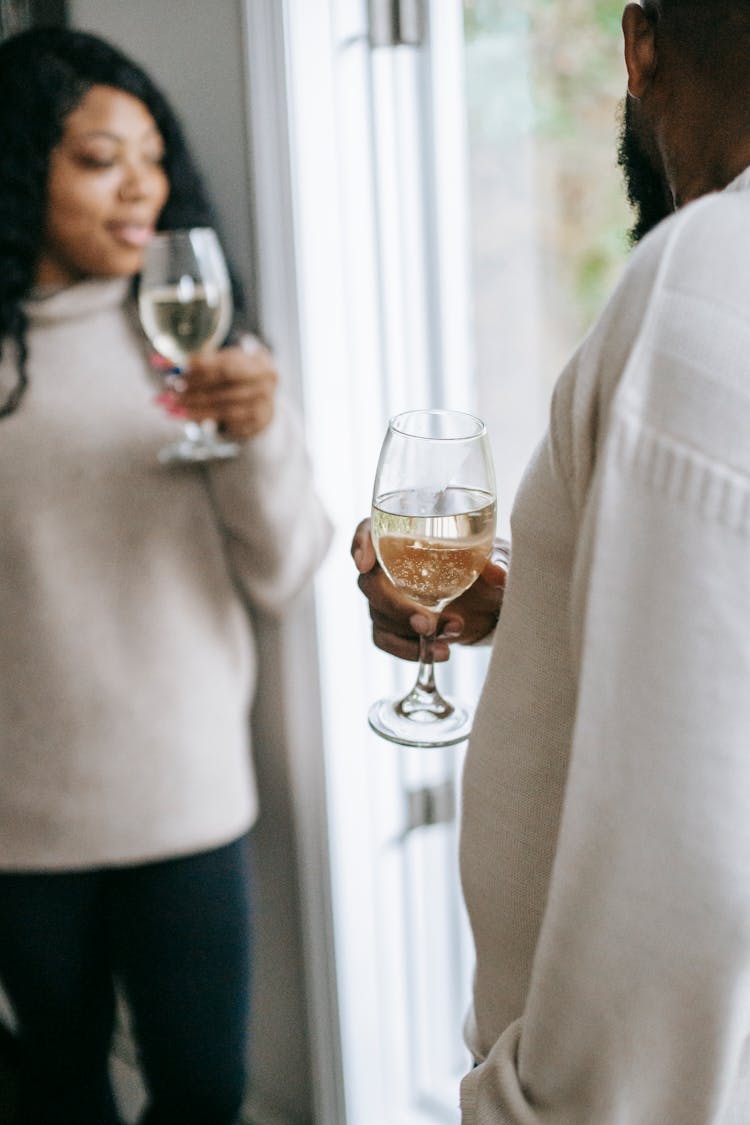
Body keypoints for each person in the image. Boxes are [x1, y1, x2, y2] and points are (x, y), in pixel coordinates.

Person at [354, 1, 750, 1120]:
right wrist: (551, 608)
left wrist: (522, 1107)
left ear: (641, 48)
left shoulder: (714, 265)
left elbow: (691, 879)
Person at [0, 26, 331, 1125]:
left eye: (152, 156)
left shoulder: (199, 349)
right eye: (100, 158)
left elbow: (284, 573)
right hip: (18, 819)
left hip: (187, 801)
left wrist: (262, 433)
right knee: (54, 1081)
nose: (142, 188)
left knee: (201, 1091)